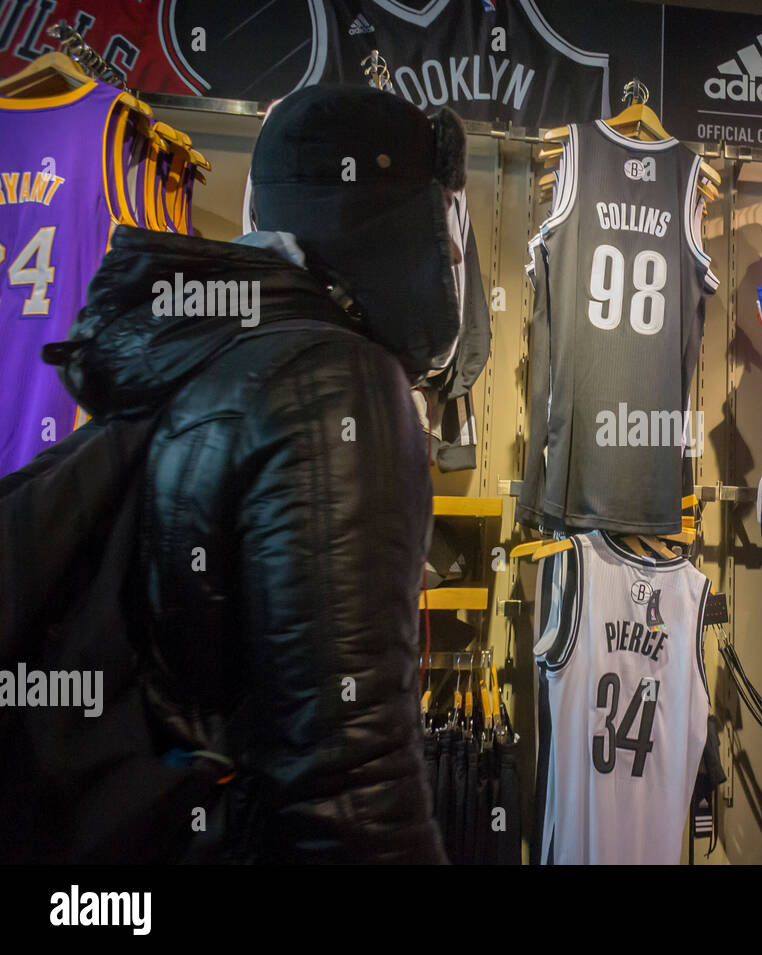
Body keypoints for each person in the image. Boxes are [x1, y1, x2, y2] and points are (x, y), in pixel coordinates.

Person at [44, 85, 461, 862]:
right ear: (379, 220)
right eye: (440, 219)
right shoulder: (332, 380)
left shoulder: (215, 348)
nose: (456, 252)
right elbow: (352, 788)